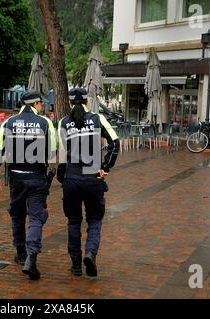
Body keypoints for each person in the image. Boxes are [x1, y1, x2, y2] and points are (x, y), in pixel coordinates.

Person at [0, 90, 56, 280]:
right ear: (35, 104)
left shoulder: (9, 122)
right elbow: (52, 152)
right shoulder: (45, 123)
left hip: (16, 177)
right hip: (37, 177)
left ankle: (20, 253)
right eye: (41, 103)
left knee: (17, 215)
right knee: (36, 217)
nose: (42, 106)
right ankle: (31, 257)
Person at [57, 88, 120, 277]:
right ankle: (91, 253)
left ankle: (76, 264)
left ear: (70, 102)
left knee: (73, 221)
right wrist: (106, 167)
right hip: (93, 177)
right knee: (94, 219)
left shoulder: (64, 122)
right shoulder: (97, 118)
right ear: (87, 100)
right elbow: (115, 143)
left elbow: (62, 153)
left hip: (72, 177)